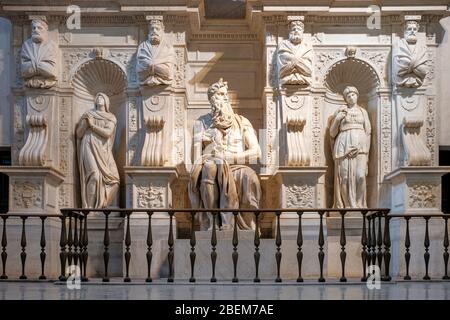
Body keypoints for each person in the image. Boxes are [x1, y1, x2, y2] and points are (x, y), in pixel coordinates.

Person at [188, 78, 262, 231]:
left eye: (224, 95)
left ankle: (245, 223)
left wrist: (228, 158)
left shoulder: (241, 121)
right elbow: (195, 159)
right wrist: (201, 141)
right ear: (211, 100)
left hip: (237, 166)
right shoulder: (201, 123)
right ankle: (211, 222)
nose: (223, 98)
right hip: (212, 164)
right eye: (218, 95)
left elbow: (256, 152)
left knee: (250, 177)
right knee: (209, 166)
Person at [330, 86, 371, 208]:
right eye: (348, 96)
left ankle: (359, 204)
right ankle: (347, 205)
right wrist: (337, 120)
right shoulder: (340, 112)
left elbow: (368, 131)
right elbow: (332, 133)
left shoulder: (363, 112)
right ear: (345, 99)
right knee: (345, 178)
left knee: (360, 176)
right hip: (343, 146)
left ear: (357, 96)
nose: (351, 97)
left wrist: (363, 146)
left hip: (361, 147)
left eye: (353, 94)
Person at [76, 92, 120, 208]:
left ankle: (103, 205)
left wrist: (92, 125)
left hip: (103, 149)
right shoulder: (88, 114)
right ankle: (90, 208)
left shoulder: (111, 117)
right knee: (94, 175)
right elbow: (79, 134)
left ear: (106, 102)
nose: (99, 99)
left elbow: (107, 133)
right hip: (88, 145)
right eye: (98, 97)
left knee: (114, 181)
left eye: (102, 97)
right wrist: (85, 124)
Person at [136, 17, 175, 87]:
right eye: (152, 29)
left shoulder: (168, 47)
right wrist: (158, 65)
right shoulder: (143, 47)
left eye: (157, 29)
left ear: (162, 31)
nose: (154, 31)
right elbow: (140, 71)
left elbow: (168, 72)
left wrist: (151, 64)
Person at [21, 18, 58, 88]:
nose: (35, 30)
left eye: (39, 28)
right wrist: (42, 67)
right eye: (33, 28)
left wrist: (32, 66)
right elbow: (24, 71)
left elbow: (52, 72)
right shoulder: (26, 45)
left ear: (46, 30)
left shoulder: (51, 46)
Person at [277, 19, 313, 86]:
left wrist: (291, 61)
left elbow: (308, 70)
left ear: (302, 32)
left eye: (299, 29)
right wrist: (299, 62)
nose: (296, 31)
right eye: (293, 29)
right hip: (285, 79)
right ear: (290, 32)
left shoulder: (307, 47)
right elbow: (282, 70)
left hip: (304, 79)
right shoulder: (284, 44)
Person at [395, 19, 428, 88]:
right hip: (400, 82)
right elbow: (398, 69)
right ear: (405, 31)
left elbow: (424, 71)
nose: (412, 31)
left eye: (414, 29)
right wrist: (416, 65)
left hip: (418, 81)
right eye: (409, 29)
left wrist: (408, 64)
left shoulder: (422, 48)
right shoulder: (398, 46)